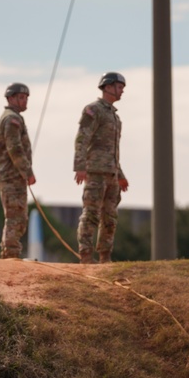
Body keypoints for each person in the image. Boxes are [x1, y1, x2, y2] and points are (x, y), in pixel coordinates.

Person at [74, 71, 129, 264]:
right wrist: (80, 166)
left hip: (111, 175)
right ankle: (86, 255)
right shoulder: (93, 110)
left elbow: (113, 151)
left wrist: (120, 175)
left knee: (110, 218)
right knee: (91, 215)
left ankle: (105, 256)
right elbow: (82, 138)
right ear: (107, 86)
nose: (122, 91)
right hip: (95, 172)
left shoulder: (115, 118)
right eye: (119, 87)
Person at [0, 82, 37, 259]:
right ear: (10, 98)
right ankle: (10, 254)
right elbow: (14, 148)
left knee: (18, 215)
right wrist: (28, 171)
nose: (24, 101)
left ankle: (11, 253)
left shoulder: (12, 117)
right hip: (11, 175)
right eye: (20, 97)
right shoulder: (12, 119)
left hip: (12, 174)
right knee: (15, 215)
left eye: (25, 98)